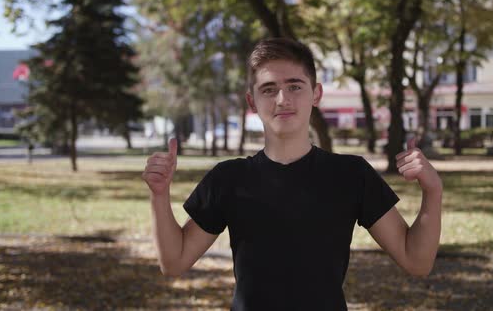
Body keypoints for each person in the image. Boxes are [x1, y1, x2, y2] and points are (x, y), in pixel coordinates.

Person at [142, 38, 443, 310]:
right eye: (269, 89)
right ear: (252, 101)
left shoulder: (351, 175)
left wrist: (433, 191)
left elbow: (416, 261)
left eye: (295, 86)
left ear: (316, 94)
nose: (282, 99)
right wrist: (159, 195)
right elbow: (174, 262)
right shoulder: (228, 179)